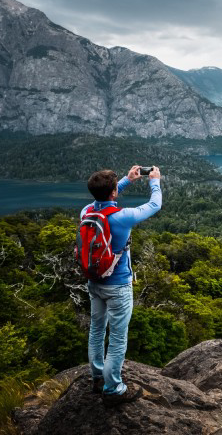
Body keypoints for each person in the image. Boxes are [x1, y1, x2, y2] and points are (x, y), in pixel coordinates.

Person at [80, 165, 162, 405]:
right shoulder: (123, 217)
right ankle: (113, 388)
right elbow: (154, 205)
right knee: (117, 338)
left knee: (96, 330)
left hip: (94, 282)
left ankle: (97, 377)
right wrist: (154, 181)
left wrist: (126, 180)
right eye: (116, 189)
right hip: (118, 286)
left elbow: (103, 199)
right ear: (114, 193)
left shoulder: (86, 212)